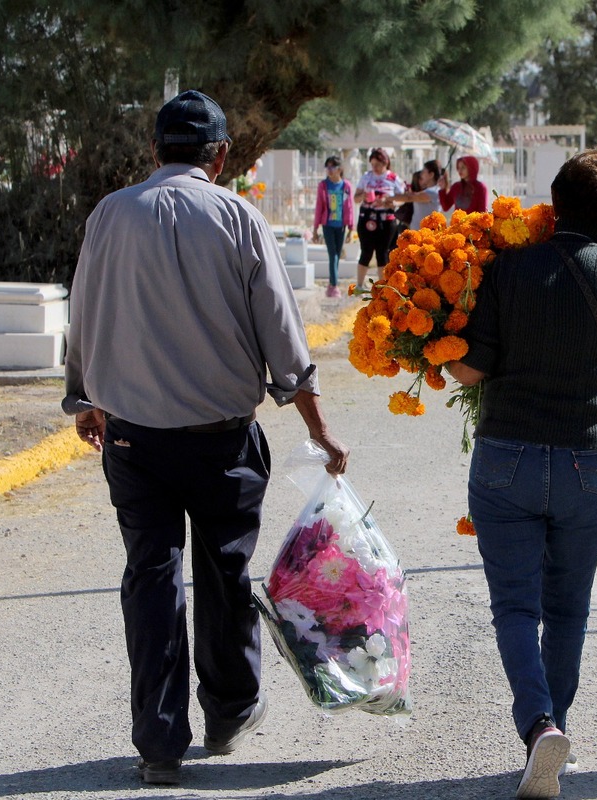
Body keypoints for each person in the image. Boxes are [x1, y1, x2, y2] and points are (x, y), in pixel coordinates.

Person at [62, 90, 350, 787]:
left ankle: (159, 745)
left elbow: (84, 306)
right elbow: (283, 334)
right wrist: (318, 427)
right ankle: (227, 713)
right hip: (222, 442)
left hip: (134, 442)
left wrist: (84, 398)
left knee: (151, 579)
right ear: (219, 156)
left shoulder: (110, 214)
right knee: (224, 573)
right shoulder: (238, 217)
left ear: (155, 150)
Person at [447, 148, 597, 799]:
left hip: (508, 457)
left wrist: (433, 344)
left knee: (514, 605)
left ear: (552, 205)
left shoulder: (509, 266)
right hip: (592, 463)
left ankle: (538, 725)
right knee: (568, 609)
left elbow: (470, 368)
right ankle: (551, 729)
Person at [353, 147, 405, 288]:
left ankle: (383, 285)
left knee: (383, 253)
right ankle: (359, 284)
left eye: (378, 165)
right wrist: (364, 196)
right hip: (367, 219)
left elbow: (402, 198)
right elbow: (355, 198)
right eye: (373, 164)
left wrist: (389, 200)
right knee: (366, 251)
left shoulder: (393, 178)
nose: (375, 168)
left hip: (386, 221)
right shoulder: (366, 177)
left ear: (385, 163)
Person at [312, 155, 354, 297]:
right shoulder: (323, 186)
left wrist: (350, 228)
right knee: (332, 254)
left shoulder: (346, 186)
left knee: (337, 253)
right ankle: (334, 285)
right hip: (328, 225)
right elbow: (319, 207)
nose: (330, 170)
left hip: (341, 225)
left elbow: (349, 206)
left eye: (333, 167)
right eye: (328, 167)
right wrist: (315, 228)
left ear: (339, 169)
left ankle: (331, 284)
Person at [389, 159, 442, 230]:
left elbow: (409, 198)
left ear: (431, 175)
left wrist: (388, 197)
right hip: (418, 232)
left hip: (427, 235)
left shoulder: (433, 192)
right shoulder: (428, 191)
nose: (421, 174)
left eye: (424, 172)